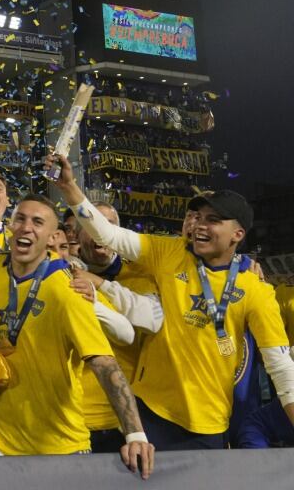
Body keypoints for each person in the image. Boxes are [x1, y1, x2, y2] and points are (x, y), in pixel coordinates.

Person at [47, 153, 294, 451]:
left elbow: (280, 365)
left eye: (213, 220)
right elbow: (108, 234)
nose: (200, 225)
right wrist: (70, 188)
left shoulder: (255, 289)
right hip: (149, 411)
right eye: (198, 217)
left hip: (209, 423)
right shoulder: (170, 252)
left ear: (237, 234)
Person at [0, 194, 152, 478]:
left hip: (61, 445)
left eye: (37, 222)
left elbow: (105, 364)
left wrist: (135, 435)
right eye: (20, 218)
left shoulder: (68, 290)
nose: (26, 227)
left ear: (52, 236)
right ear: (9, 224)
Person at [66, 202, 164, 453]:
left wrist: (97, 284)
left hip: (125, 420)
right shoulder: (62, 274)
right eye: (92, 224)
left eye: (109, 224)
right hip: (70, 415)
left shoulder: (142, 275)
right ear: (76, 234)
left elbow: (153, 320)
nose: (101, 231)